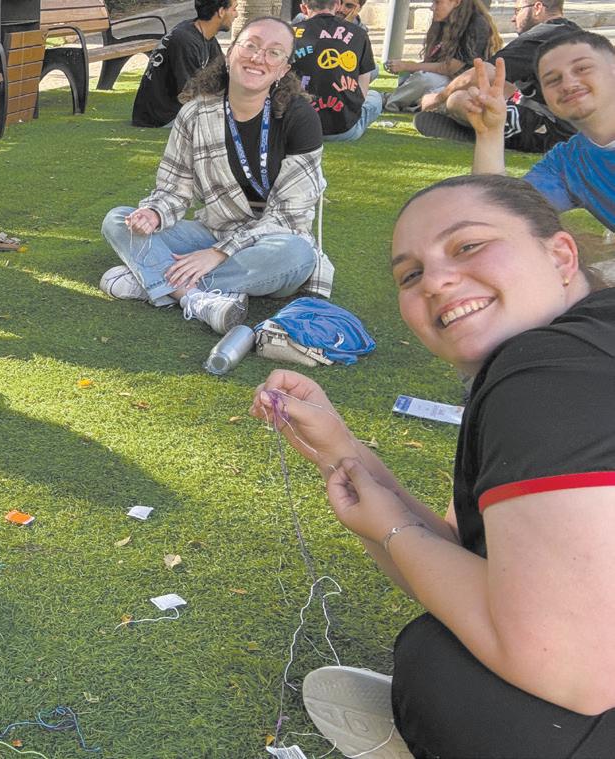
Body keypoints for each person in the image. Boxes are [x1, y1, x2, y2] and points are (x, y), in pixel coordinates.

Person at [251, 174, 615, 757]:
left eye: (468, 245)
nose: (437, 281)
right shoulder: (580, 345)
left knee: (442, 671)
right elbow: (472, 566)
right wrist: (341, 453)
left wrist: (393, 528)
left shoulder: (541, 374)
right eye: (410, 275)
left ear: (561, 254)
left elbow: (567, 669)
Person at [101, 17, 333, 336]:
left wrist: (219, 253)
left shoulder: (299, 117)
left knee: (297, 255)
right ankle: (195, 298)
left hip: (273, 240)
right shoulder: (195, 114)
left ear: (283, 69)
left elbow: (289, 216)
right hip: (215, 229)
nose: (258, 57)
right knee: (119, 220)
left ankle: (151, 280)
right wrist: (154, 213)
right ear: (230, 53)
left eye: (274, 52)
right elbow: (174, 188)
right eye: (250, 46)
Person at [466, 31, 615, 233]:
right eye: (552, 80)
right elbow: (501, 215)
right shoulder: (568, 165)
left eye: (582, 68)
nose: (568, 84)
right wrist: (489, 134)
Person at [414, 0, 580, 153]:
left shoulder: (541, 37)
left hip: (553, 131)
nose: (513, 19)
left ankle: (484, 134)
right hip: (576, 130)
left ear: (537, 8)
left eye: (517, 11)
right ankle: (480, 127)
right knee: (481, 95)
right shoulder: (574, 34)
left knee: (457, 99)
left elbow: (483, 72)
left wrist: (437, 98)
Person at [383, 0, 501, 112]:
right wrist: (408, 68)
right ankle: (411, 103)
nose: (432, 7)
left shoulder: (476, 24)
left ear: (456, 2)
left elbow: (450, 68)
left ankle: (391, 101)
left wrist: (407, 66)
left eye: (438, 2)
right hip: (442, 79)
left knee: (425, 79)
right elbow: (431, 61)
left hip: (463, 82)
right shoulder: (443, 21)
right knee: (415, 76)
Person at [132, 0, 235, 128]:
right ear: (221, 12)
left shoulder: (204, 35)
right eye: (234, 9)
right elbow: (190, 94)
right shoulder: (185, 41)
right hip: (162, 118)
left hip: (175, 111)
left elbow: (223, 78)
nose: (236, 15)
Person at [292, 0, 382, 142]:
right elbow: (363, 92)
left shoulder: (289, 33)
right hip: (344, 129)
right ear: (337, 4)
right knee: (375, 97)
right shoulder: (359, 33)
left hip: (297, 128)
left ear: (303, 8)